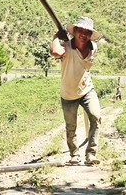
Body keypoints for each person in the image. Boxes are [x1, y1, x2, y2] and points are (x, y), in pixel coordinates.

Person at [50, 16, 102, 165]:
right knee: (71, 126)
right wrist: (56, 36)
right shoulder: (65, 47)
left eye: (87, 32)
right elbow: (55, 52)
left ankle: (91, 154)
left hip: (87, 90)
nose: (83, 35)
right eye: (81, 31)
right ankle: (74, 154)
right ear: (75, 32)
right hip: (68, 93)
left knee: (96, 117)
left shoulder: (93, 47)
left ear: (90, 35)